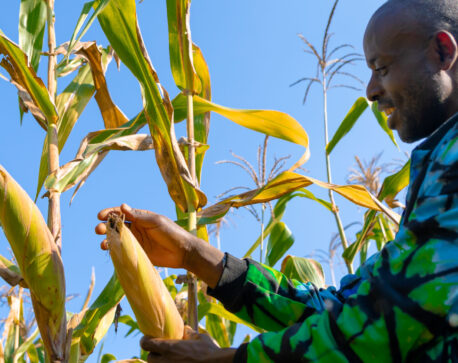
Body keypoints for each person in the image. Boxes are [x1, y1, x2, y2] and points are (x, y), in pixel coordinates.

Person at [96, 0, 458, 361]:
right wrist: (192, 254)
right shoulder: (440, 167)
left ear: (442, 52)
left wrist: (228, 360)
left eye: (381, 68)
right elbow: (344, 309)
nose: (370, 89)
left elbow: (384, 323)